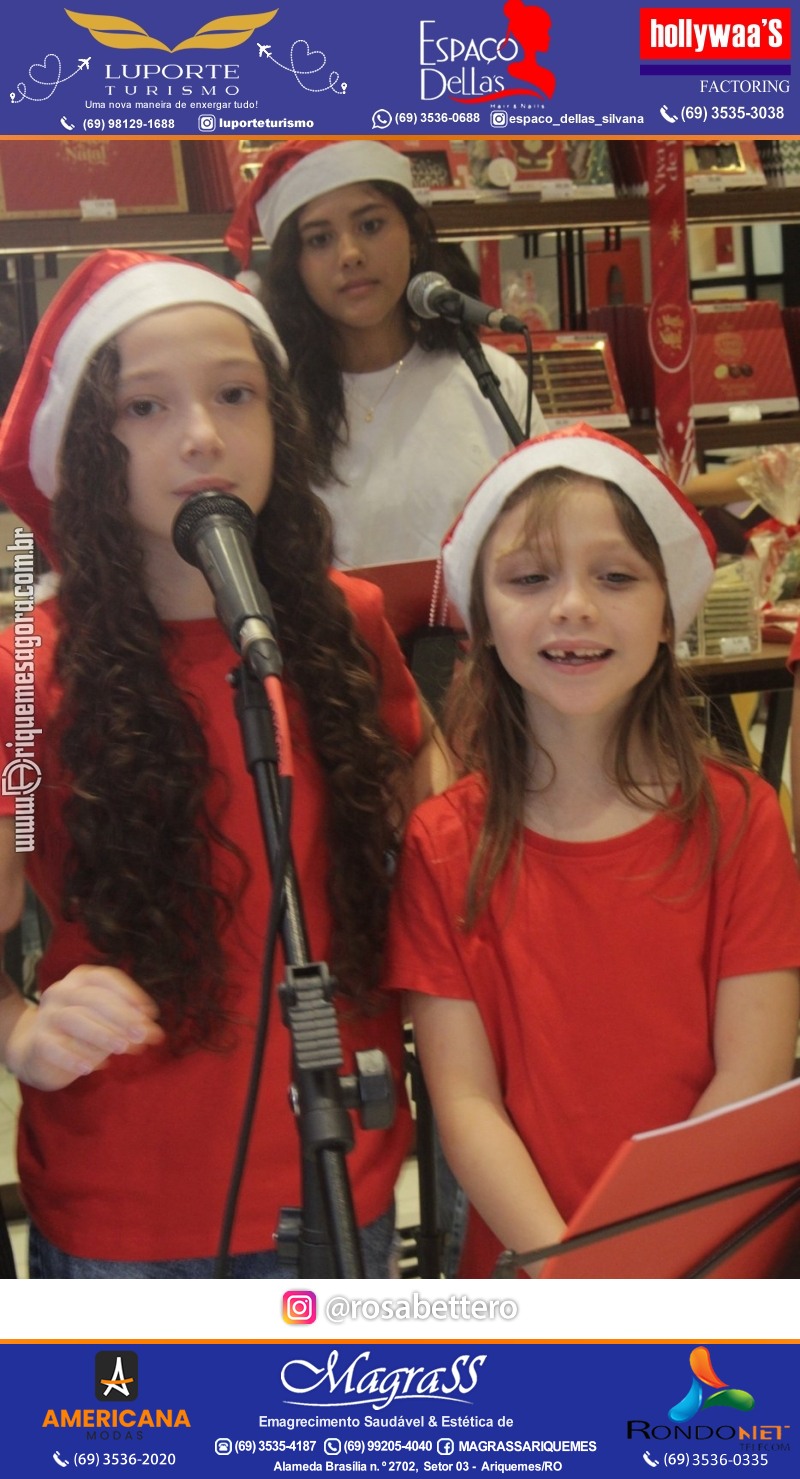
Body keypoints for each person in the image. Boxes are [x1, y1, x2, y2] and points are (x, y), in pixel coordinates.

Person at [0, 247, 446, 1279]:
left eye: (234, 394)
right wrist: (19, 1025)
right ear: (85, 444)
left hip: (341, 1177)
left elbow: (437, 856)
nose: (202, 436)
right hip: (126, 1200)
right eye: (145, 408)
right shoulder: (28, 670)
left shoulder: (347, 625)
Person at [385, 423, 800, 1278]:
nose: (573, 604)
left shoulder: (744, 819)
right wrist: (575, 1278)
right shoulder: (442, 843)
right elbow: (464, 1101)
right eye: (531, 578)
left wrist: (654, 1268)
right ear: (486, 622)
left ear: (665, 615)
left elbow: (749, 1078)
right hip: (532, 1272)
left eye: (615, 576)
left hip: (709, 1271)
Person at [225, 139, 547, 571]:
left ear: (412, 236)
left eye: (371, 226)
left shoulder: (492, 379)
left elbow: (545, 526)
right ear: (295, 267)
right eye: (320, 240)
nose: (351, 255)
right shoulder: (272, 404)